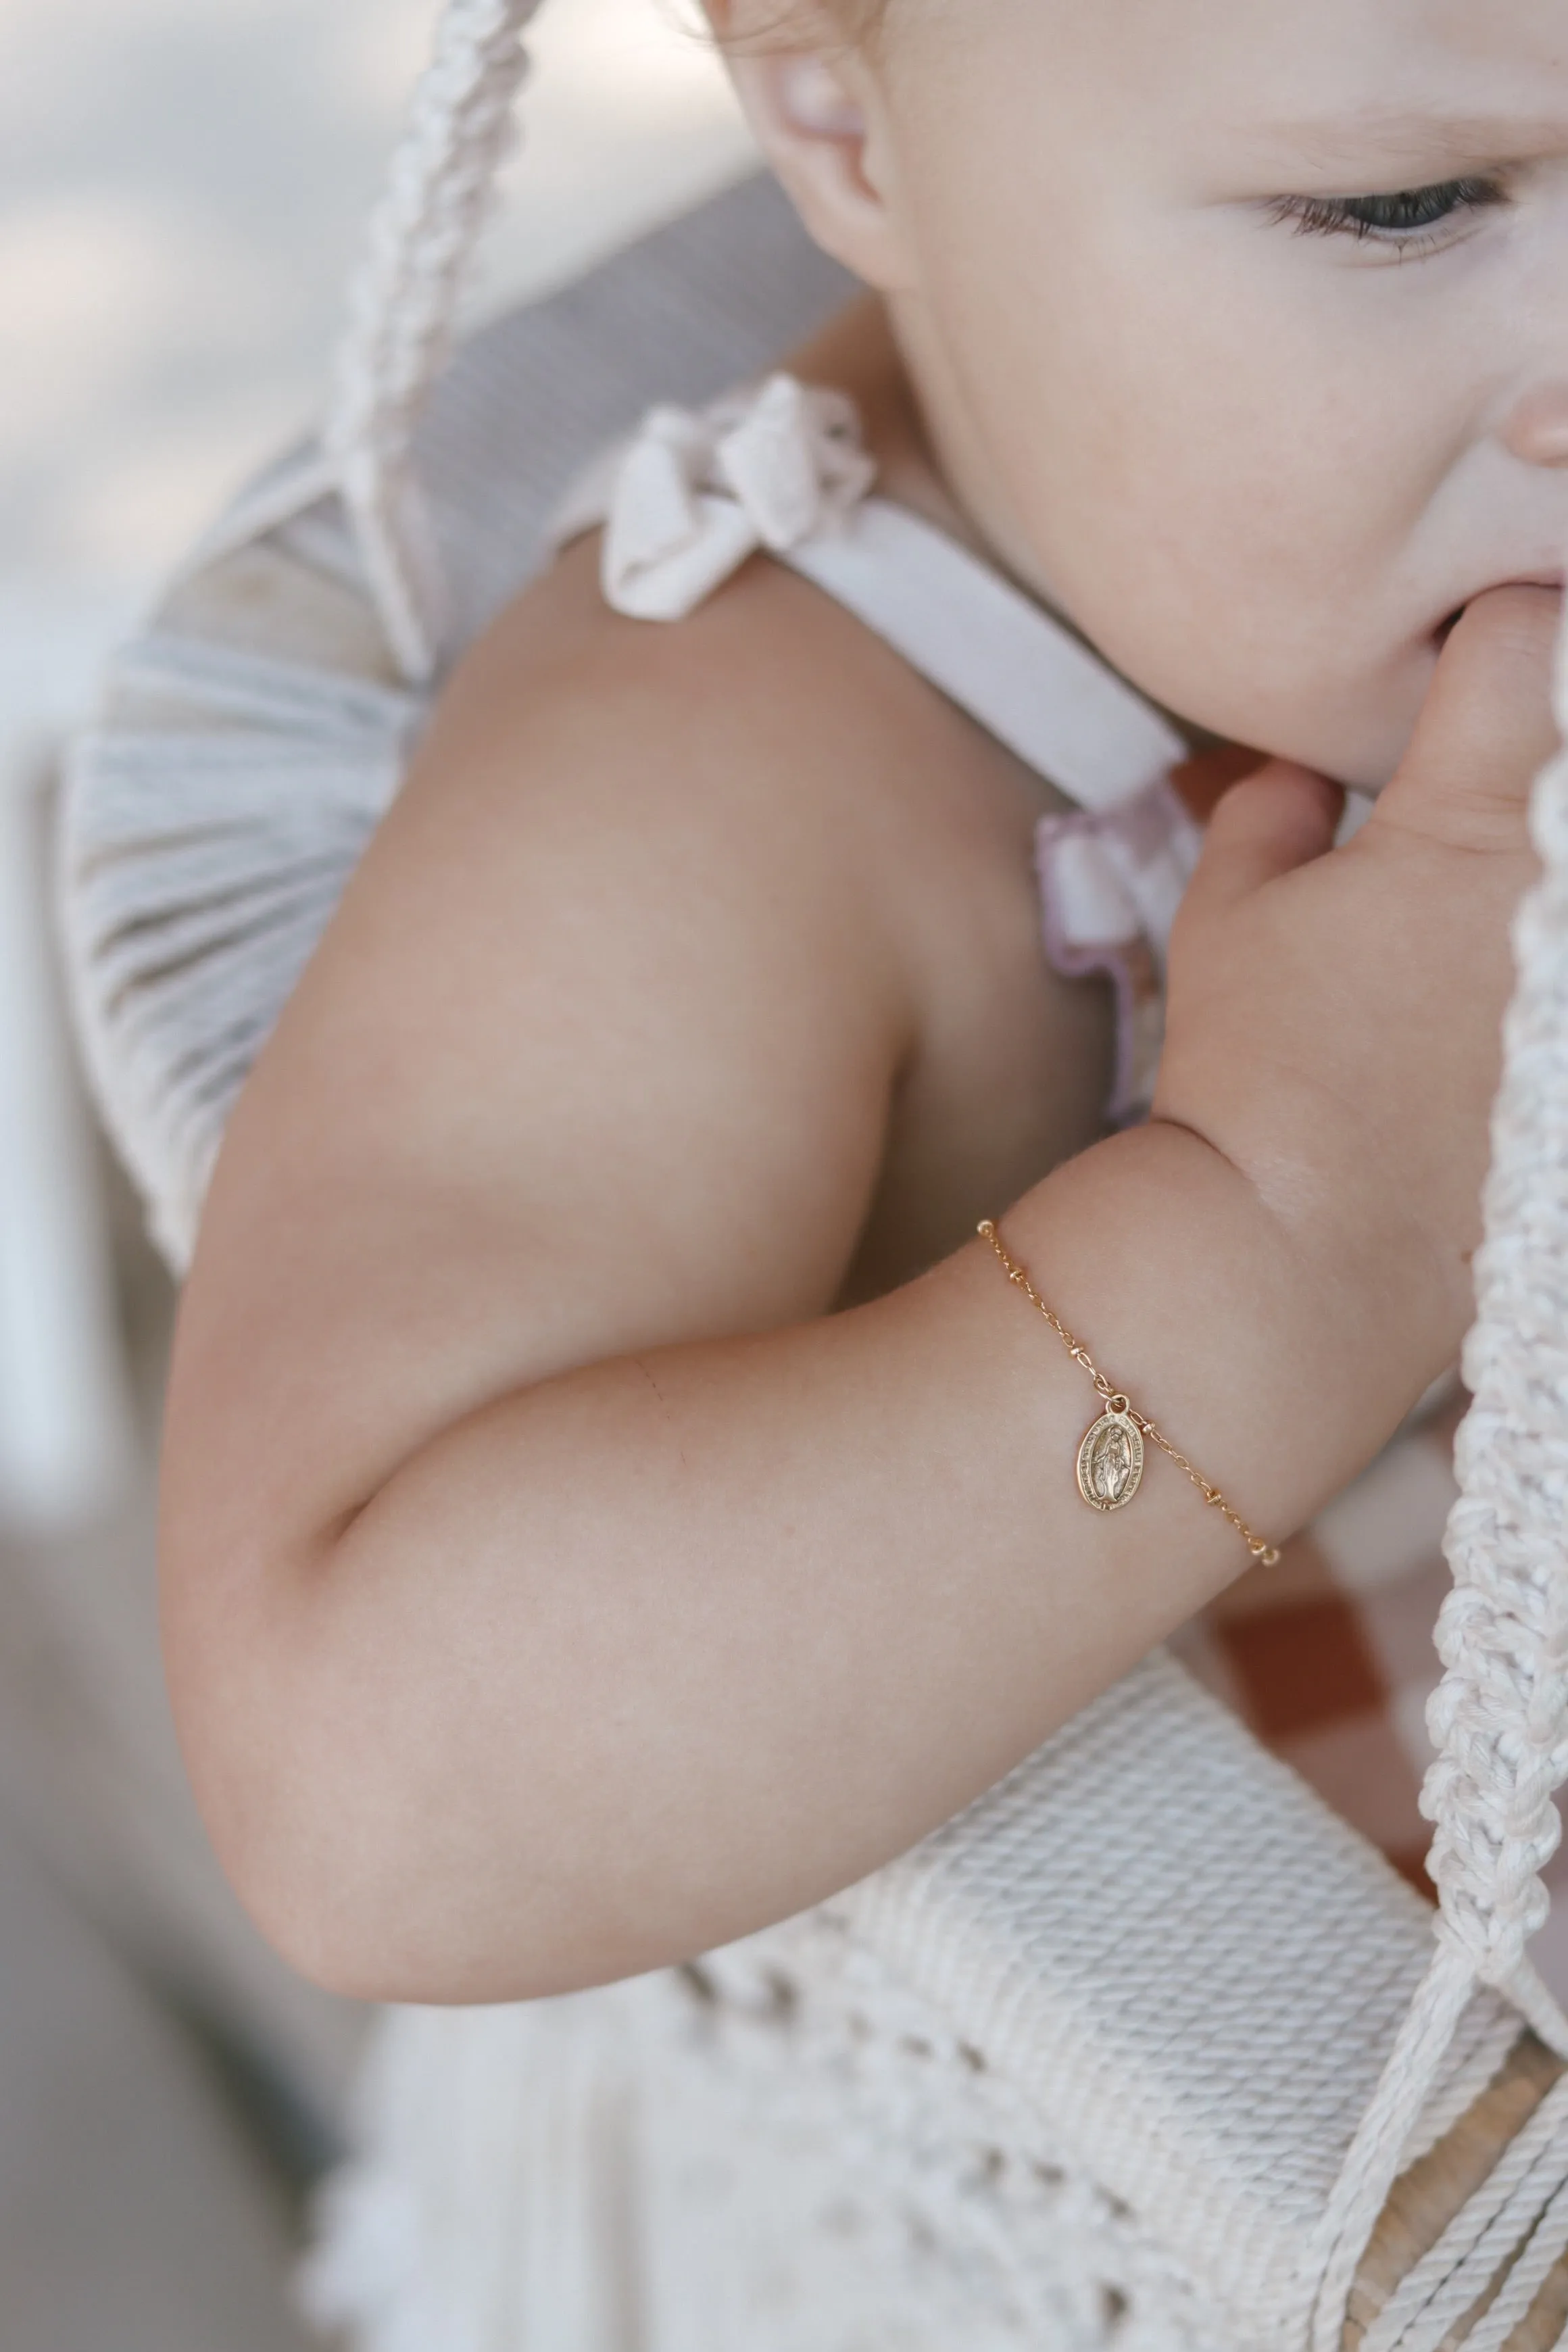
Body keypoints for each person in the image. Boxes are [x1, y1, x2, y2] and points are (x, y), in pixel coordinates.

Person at [157, 0, 1567, 2006]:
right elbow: (367, 1792)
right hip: (1363, 2088)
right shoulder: (746, 772)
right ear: (845, 125)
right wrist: (1282, 1244)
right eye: (1409, 201)